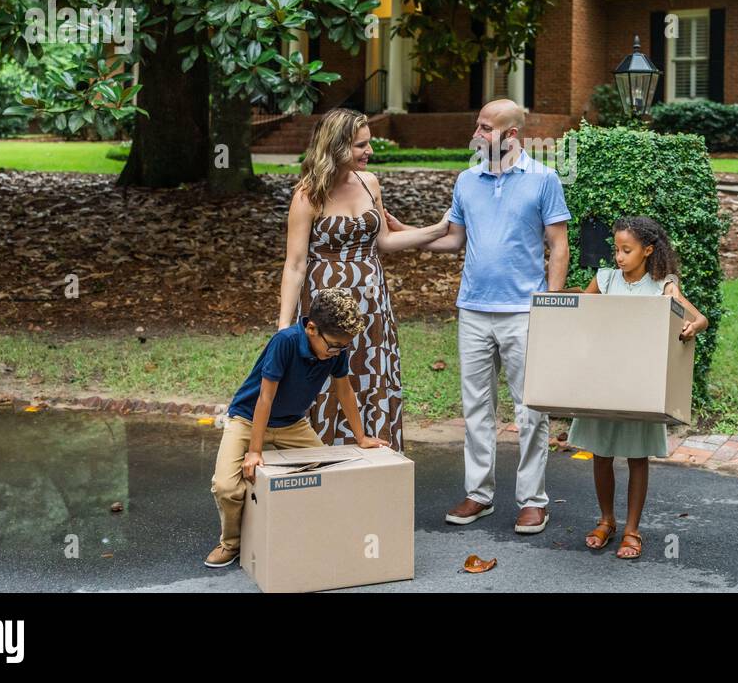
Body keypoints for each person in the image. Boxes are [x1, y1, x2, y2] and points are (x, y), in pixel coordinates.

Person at [395, 99, 570, 535]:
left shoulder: (543, 179)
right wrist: (404, 236)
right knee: (476, 408)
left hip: (523, 312)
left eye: (486, 128)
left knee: (530, 410)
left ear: (512, 135)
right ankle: (479, 494)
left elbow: (559, 246)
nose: (477, 134)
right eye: (478, 125)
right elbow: (452, 241)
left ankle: (533, 501)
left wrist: (550, 305)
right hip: (473, 309)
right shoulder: (466, 181)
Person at [278, 107, 449, 451]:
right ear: (336, 146)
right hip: (325, 307)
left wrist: (438, 228)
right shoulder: (307, 195)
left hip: (372, 306)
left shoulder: (370, 183)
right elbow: (295, 265)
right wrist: (284, 328)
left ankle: (373, 460)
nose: (369, 151)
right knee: (328, 376)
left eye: (368, 144)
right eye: (361, 145)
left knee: (370, 376)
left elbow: (384, 241)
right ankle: (325, 460)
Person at [205, 288, 387, 568]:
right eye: (335, 345)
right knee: (227, 486)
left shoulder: (336, 349)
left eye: (343, 346)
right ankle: (232, 543)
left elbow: (345, 391)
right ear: (311, 328)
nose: (338, 352)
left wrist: (360, 437)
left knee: (331, 474)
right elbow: (265, 398)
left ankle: (313, 534)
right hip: (247, 419)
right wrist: (254, 451)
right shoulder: (285, 342)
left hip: (292, 423)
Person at [567, 216, 708, 560]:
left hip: (640, 385)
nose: (618, 256)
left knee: (636, 457)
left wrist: (690, 327)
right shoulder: (604, 280)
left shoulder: (662, 287)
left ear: (647, 251)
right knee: (600, 453)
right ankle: (606, 520)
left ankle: (632, 528)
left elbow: (700, 318)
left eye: (626, 250)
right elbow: (580, 318)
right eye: (616, 249)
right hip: (603, 380)